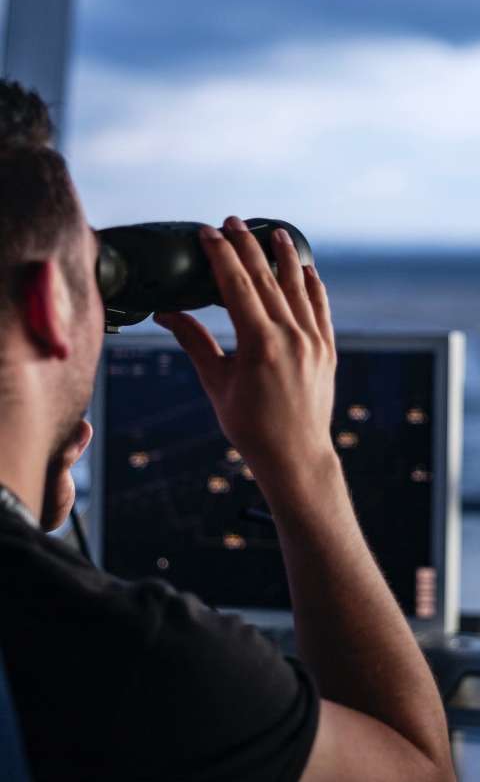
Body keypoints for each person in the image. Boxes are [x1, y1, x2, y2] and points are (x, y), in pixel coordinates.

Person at [0, 78, 455, 782]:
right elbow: (422, 771)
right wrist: (303, 461)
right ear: (48, 308)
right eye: (94, 286)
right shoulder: (140, 664)